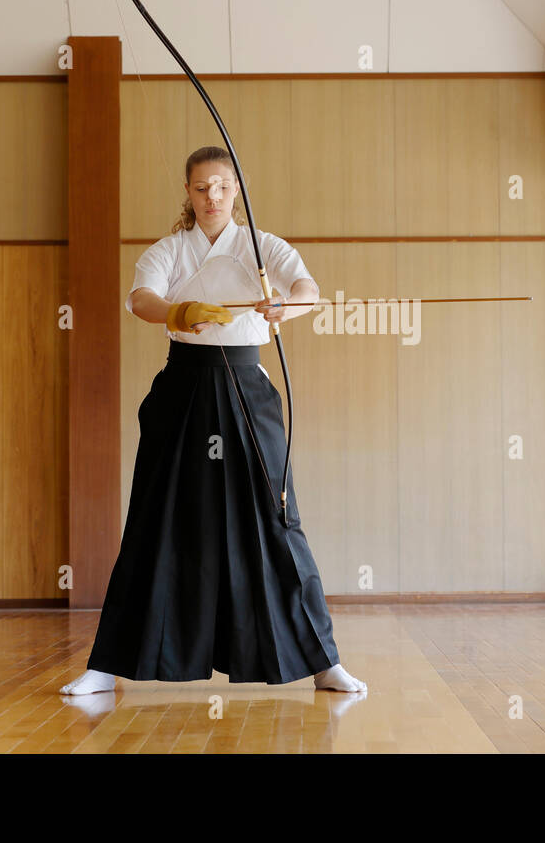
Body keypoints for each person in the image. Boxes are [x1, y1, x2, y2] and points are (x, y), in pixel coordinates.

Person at [61, 145, 366, 695]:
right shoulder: (169, 250)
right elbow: (140, 299)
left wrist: (286, 308)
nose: (212, 197)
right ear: (188, 191)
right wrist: (178, 311)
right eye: (201, 187)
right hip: (184, 389)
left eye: (222, 186)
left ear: (236, 190)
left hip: (249, 389)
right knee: (154, 516)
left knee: (278, 518)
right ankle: (106, 665)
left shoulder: (261, 246)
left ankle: (323, 661)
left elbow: (308, 290)